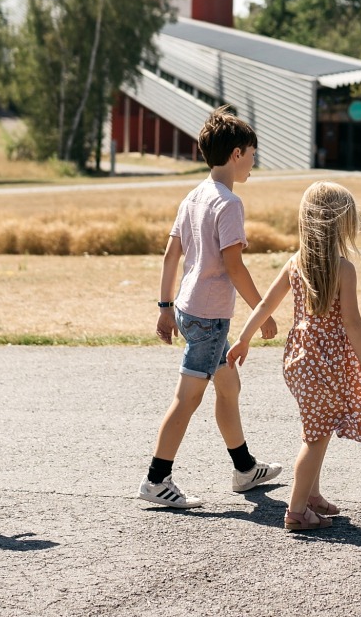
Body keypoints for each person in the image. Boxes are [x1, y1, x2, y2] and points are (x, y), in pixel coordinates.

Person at [139, 107, 282, 509]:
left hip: (188, 307)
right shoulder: (229, 204)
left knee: (228, 386)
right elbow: (234, 265)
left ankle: (244, 468)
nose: (254, 162)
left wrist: (166, 306)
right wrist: (262, 313)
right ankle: (156, 479)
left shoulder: (194, 195)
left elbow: (171, 255)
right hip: (209, 316)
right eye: (252, 154)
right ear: (236, 154)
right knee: (187, 399)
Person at [230, 181, 361, 532]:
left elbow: (266, 303)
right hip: (325, 364)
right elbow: (352, 322)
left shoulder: (295, 263)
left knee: (317, 427)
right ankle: (297, 511)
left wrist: (243, 338)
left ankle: (312, 495)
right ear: (340, 224)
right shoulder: (343, 269)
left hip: (298, 359)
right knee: (315, 437)